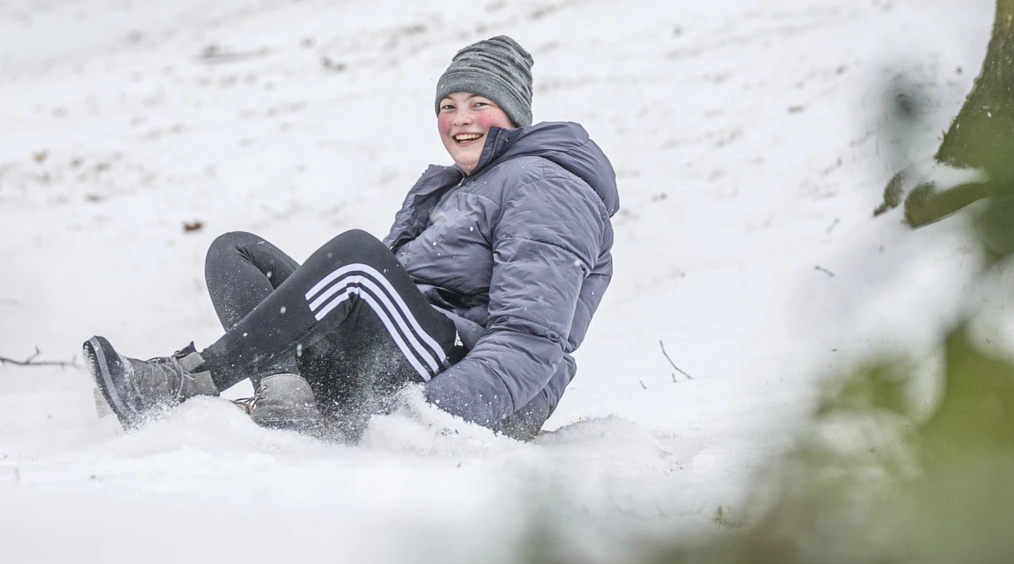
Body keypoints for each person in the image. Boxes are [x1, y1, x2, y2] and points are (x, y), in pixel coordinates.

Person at [84, 35, 619, 442]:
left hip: (459, 379)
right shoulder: (457, 187)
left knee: (358, 259)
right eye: (447, 106)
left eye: (478, 103)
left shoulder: (546, 186)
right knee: (235, 251)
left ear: (514, 116)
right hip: (395, 356)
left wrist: (432, 413)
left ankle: (186, 381)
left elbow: (532, 337)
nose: (459, 120)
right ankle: (285, 393)